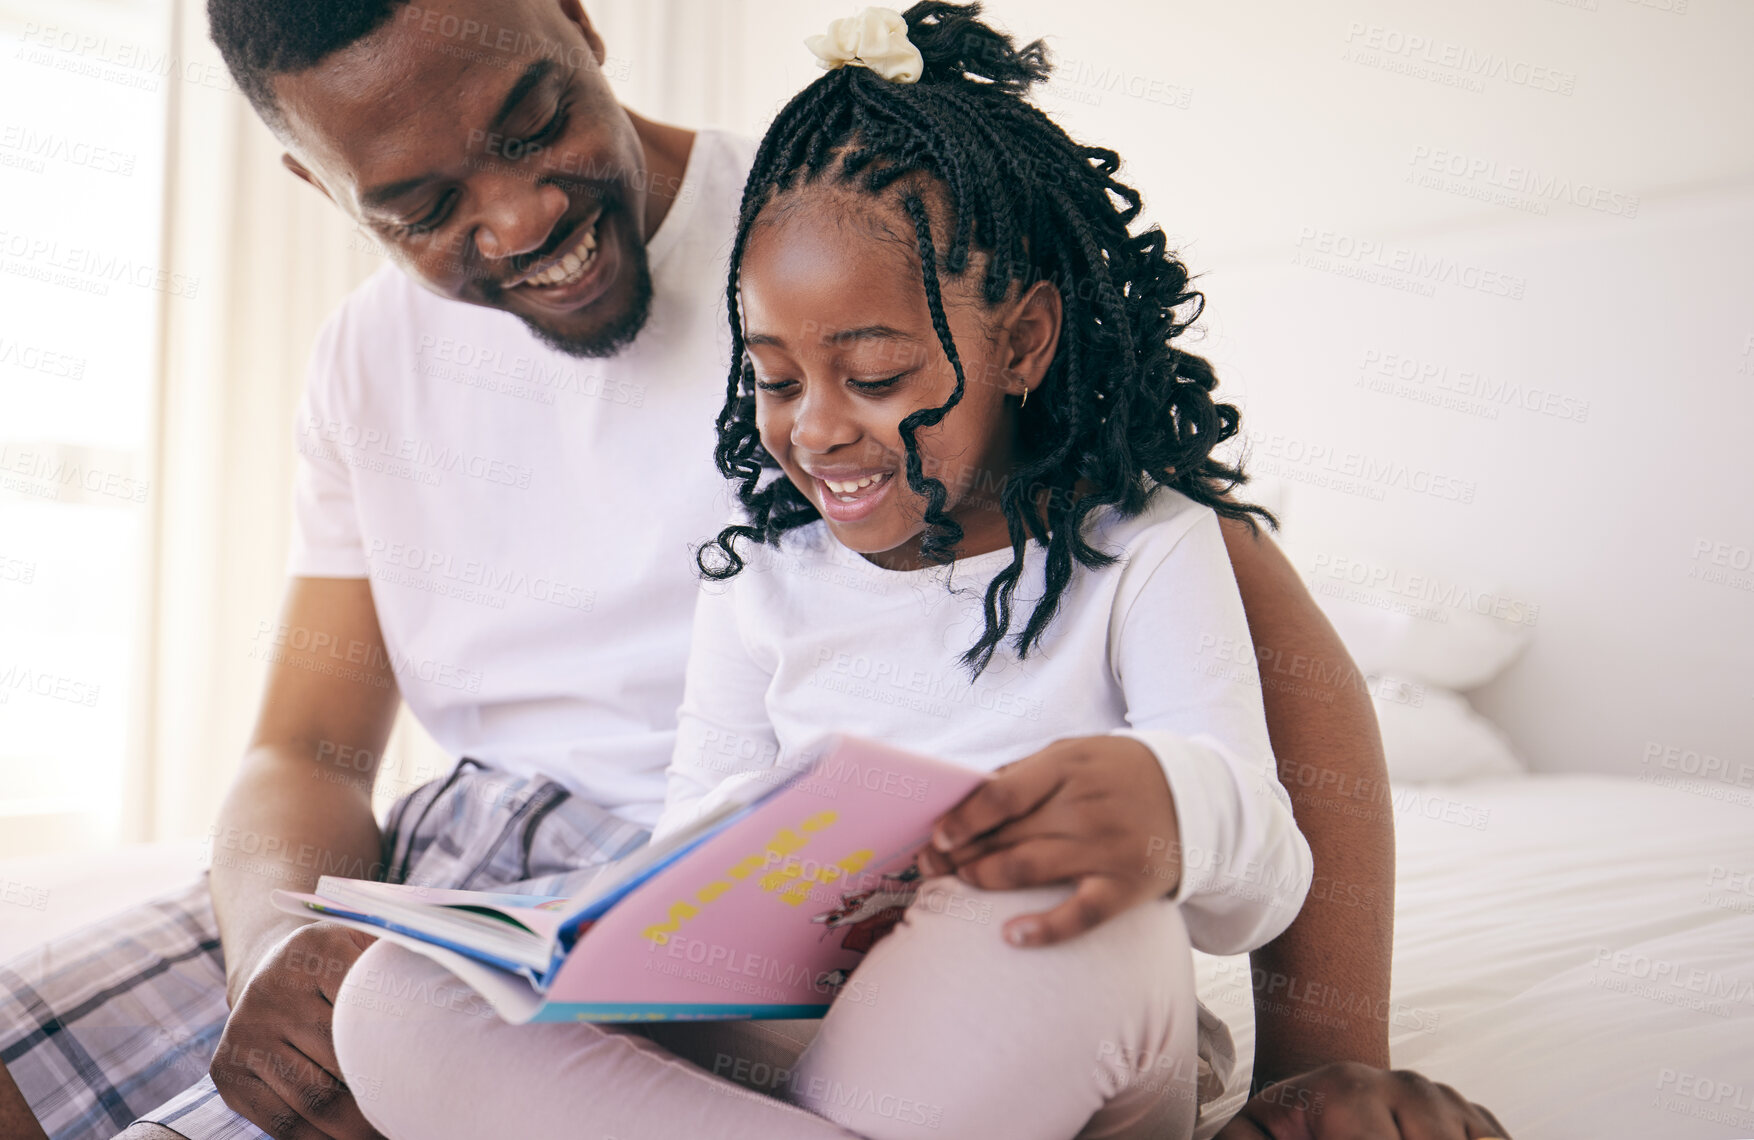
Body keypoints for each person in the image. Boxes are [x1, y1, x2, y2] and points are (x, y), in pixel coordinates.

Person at [0, 1, 1507, 1138]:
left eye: (533, 124)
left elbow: (1237, 623)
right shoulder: (372, 368)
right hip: (587, 911)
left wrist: (1323, 1070)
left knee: (1051, 958)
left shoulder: (840, 224)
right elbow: (306, 746)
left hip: (926, 920)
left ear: (581, 18)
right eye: (418, 205)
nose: (516, 218)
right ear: (316, 183)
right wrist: (276, 943)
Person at [328, 8, 1313, 1136]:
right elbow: (689, 856)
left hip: (1023, 1015)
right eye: (778, 381)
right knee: (397, 997)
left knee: (1067, 915)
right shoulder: (758, 586)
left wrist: (1173, 806)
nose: (819, 432)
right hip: (800, 1049)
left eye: (878, 375)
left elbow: (1265, 879)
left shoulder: (1146, 549)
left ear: (1023, 343)